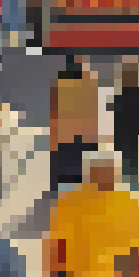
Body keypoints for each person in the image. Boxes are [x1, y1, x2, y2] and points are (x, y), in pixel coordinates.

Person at [51, 60, 102, 191]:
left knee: (65, 186)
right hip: (84, 139)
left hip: (65, 140)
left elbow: (55, 115)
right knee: (84, 185)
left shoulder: (61, 84)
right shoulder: (89, 84)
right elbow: (93, 114)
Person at [113, 61, 139, 194]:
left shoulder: (134, 93)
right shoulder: (127, 92)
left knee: (131, 160)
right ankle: (130, 184)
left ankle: (132, 185)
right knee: (129, 160)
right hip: (128, 132)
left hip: (131, 132)